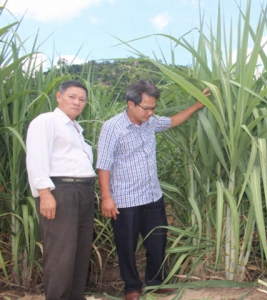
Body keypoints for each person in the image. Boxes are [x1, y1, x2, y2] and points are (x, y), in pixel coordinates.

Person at [96, 80, 209, 300]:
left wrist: (197, 105)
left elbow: (173, 121)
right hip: (125, 200)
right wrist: (106, 198)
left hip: (152, 196)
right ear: (131, 104)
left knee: (157, 242)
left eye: (153, 107)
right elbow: (103, 164)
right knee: (126, 246)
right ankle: (132, 288)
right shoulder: (112, 127)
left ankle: (156, 282)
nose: (150, 112)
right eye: (146, 108)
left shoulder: (151, 122)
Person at [26, 80, 96, 300]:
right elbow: (36, 158)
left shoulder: (75, 128)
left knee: (80, 250)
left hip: (83, 191)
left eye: (82, 99)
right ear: (59, 96)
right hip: (61, 190)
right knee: (61, 253)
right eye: (72, 97)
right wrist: (45, 194)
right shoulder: (47, 121)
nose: (77, 102)